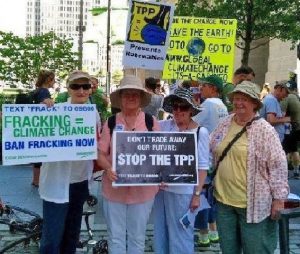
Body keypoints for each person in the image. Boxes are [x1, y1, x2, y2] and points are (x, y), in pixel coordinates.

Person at [210, 81, 289, 254]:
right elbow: (210, 148)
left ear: (254, 103)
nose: (238, 103)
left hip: (254, 205)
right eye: (236, 98)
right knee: (228, 250)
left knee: (256, 250)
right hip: (224, 202)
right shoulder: (225, 123)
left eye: (244, 99)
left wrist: (278, 199)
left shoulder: (265, 130)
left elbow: (278, 165)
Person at [39, 70, 101, 254]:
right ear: (68, 88)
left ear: (91, 89)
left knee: (72, 235)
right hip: (56, 182)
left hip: (80, 182)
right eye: (75, 86)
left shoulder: (94, 114)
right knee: (51, 237)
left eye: (85, 86)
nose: (80, 90)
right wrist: (41, 108)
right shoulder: (53, 110)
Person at [98, 75, 159, 254]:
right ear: (121, 98)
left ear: (141, 98)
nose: (131, 98)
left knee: (137, 237)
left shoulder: (150, 122)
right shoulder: (111, 122)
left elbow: (160, 154)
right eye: (127, 94)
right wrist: (108, 168)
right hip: (114, 189)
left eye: (135, 94)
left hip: (143, 192)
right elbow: (100, 154)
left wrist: (161, 173)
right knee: (115, 237)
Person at [153, 87, 209, 254]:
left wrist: (197, 195)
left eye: (183, 107)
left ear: (191, 110)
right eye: (175, 107)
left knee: (182, 234)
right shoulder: (163, 126)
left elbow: (202, 167)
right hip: (161, 190)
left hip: (184, 192)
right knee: (160, 233)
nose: (178, 111)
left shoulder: (200, 132)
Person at [193, 75, 228, 247]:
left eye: (204, 85)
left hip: (204, 155)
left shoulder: (207, 105)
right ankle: (214, 231)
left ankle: (203, 234)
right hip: (216, 156)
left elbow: (191, 123)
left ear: (213, 88)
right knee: (211, 196)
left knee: (200, 195)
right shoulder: (222, 105)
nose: (200, 88)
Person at [31, 69, 55, 187]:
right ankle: (38, 181)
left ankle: (36, 180)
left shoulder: (37, 91)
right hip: (42, 127)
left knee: (37, 155)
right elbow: (45, 105)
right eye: (53, 79)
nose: (54, 82)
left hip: (37, 127)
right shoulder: (44, 92)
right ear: (48, 80)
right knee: (41, 155)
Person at [281, 80, 300, 178]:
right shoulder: (297, 97)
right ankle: (296, 171)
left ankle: (286, 172)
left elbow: (282, 113)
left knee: (285, 149)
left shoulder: (288, 97)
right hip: (298, 127)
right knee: (294, 149)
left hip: (289, 126)